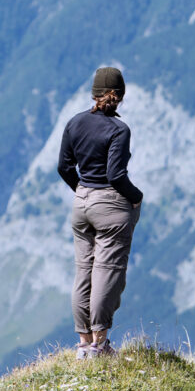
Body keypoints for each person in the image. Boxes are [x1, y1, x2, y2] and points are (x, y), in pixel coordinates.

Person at [57, 67, 143, 359]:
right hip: (110, 206)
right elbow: (116, 175)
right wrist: (136, 197)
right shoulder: (119, 130)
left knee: (84, 271)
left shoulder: (74, 123)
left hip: (81, 203)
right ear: (119, 96)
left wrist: (82, 190)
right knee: (106, 273)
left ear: (93, 92)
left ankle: (83, 345)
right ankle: (100, 344)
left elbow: (64, 167)